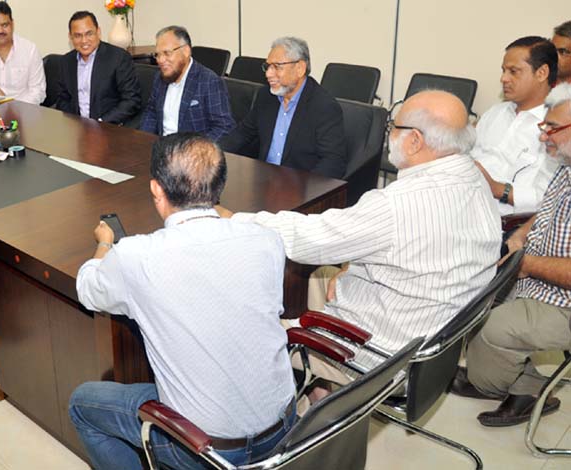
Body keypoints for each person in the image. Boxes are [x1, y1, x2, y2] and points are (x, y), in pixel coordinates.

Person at [70, 133, 296, 469]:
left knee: (82, 405)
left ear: (156, 190)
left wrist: (105, 244)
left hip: (206, 451)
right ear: (219, 186)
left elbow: (87, 289)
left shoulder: (137, 256)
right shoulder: (267, 240)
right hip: (284, 429)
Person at [220, 90, 501, 356]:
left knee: (249, 333)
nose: (389, 133)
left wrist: (233, 219)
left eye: (394, 126)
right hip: (433, 336)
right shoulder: (475, 178)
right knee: (319, 273)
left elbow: (307, 238)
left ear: (415, 140)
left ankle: (312, 385)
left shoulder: (396, 204)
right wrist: (350, 267)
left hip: (379, 349)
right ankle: (320, 387)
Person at [452, 83, 571, 427]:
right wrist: (521, 236)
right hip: (536, 277)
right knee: (468, 294)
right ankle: (520, 380)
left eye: (552, 129)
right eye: (543, 126)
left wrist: (526, 264)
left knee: (491, 326)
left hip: (562, 300)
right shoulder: (565, 163)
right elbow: (547, 211)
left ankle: (494, 383)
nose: (543, 137)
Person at [219, 37, 347, 179]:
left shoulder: (324, 106)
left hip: (301, 188)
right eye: (267, 66)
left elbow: (334, 162)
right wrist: (211, 153)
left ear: (300, 68)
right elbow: (242, 134)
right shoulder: (266, 96)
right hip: (264, 182)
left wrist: (305, 191)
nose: (268, 74)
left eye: (277, 67)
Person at [471, 36, 559, 215]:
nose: (503, 78)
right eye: (503, 71)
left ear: (541, 73)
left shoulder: (558, 128)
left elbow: (550, 198)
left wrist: (497, 189)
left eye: (513, 71)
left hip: (507, 224)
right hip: (466, 207)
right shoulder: (495, 113)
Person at [138, 26, 235, 141]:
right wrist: (143, 140)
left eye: (167, 53)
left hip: (192, 152)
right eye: (158, 54)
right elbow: (152, 111)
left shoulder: (209, 81)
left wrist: (196, 150)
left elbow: (224, 127)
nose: (161, 60)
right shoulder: (160, 77)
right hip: (161, 147)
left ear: (186, 51)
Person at [55, 11, 141, 125]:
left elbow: (131, 100)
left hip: (108, 127)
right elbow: (62, 99)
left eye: (89, 33)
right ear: (70, 37)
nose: (84, 40)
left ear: (98, 32)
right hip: (76, 129)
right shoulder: (66, 61)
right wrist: (75, 121)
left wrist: (100, 123)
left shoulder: (118, 58)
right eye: (78, 36)